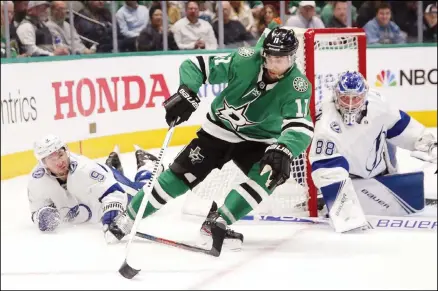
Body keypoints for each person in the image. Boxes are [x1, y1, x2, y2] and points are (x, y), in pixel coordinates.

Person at [108, 27, 314, 250]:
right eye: (272, 59)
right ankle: (128, 218)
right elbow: (196, 66)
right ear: (263, 54)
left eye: (283, 60)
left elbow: (301, 125)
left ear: (293, 57)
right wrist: (188, 90)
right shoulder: (244, 60)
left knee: (271, 173)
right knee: (179, 176)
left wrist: (284, 148)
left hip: (259, 139)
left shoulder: (298, 86)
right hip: (218, 130)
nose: (276, 67)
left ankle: (217, 223)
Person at [309, 71, 437, 233]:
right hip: (351, 179)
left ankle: (385, 178)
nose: (350, 104)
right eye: (345, 98)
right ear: (336, 96)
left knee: (384, 134)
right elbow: (327, 170)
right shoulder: (326, 122)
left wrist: (431, 145)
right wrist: (347, 213)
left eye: (355, 98)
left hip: (379, 171)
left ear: (365, 96)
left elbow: (402, 127)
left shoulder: (378, 104)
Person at [27, 134, 163, 243]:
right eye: (52, 158)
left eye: (60, 154)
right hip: (96, 185)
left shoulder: (85, 169)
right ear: (43, 163)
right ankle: (113, 164)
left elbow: (114, 192)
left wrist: (111, 214)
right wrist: (42, 216)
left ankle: (148, 165)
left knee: (145, 196)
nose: (60, 161)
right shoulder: (37, 182)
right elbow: (36, 211)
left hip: (108, 179)